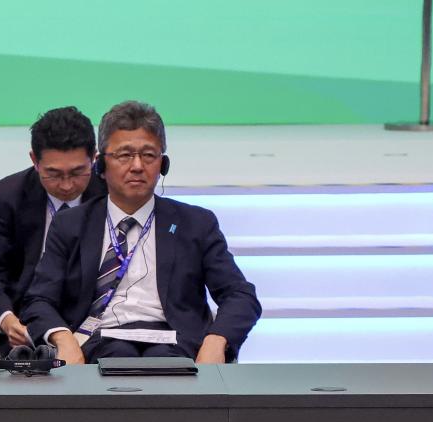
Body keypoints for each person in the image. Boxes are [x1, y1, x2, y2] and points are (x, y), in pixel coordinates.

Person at [20, 101, 260, 364]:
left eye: (148, 155)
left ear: (163, 164)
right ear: (101, 165)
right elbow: (38, 299)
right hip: (99, 342)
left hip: (175, 343)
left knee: (164, 363)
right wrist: (63, 339)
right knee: (117, 357)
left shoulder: (196, 224)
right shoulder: (71, 224)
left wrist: (216, 340)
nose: (137, 166)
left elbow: (240, 295)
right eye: (124, 155)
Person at [0, 106, 107, 352]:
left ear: (94, 159)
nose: (66, 185)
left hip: (92, 324)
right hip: (24, 324)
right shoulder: (8, 196)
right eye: (53, 174)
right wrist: (7, 321)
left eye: (77, 172)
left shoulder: (109, 194)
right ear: (35, 160)